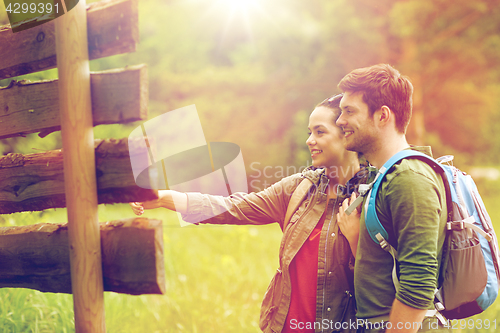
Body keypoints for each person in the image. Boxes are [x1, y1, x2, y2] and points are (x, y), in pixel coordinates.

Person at [130, 95, 369, 333]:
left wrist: (357, 239)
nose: (309, 140)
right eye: (309, 132)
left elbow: (390, 282)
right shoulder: (299, 188)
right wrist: (163, 198)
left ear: (346, 133)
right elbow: (234, 208)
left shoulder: (376, 195)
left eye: (320, 132)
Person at [335, 64, 450, 333]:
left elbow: (418, 285)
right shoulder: (386, 174)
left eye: (349, 111)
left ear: (382, 116)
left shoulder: (409, 179)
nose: (339, 120)